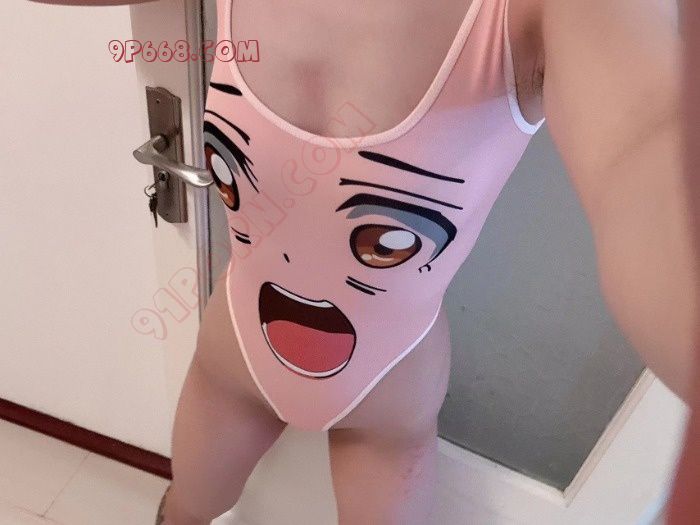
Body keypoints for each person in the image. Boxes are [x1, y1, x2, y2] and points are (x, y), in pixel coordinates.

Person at [30, 0, 695, 524]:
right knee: (186, 509)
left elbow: (647, 148)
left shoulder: (561, 12)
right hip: (233, 367)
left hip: (388, 403)